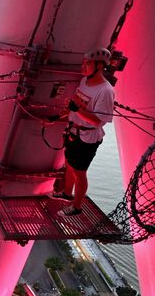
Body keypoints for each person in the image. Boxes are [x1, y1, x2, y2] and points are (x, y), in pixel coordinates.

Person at [51, 48, 115, 217]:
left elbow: (98, 121)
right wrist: (58, 117)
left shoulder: (105, 91)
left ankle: (77, 207)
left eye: (87, 63)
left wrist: (77, 110)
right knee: (70, 165)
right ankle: (66, 194)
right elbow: (76, 107)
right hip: (74, 131)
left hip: (87, 137)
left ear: (100, 66)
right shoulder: (84, 81)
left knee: (80, 172)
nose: (83, 66)